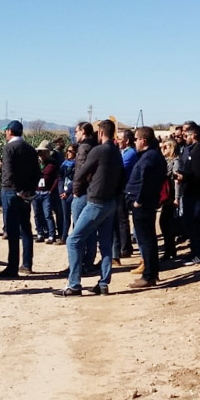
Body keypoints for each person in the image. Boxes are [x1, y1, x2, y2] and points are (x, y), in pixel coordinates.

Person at [55, 119, 124, 297]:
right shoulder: (116, 152)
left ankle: (74, 284)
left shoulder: (97, 151)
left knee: (73, 240)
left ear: (100, 133)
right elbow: (123, 177)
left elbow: (80, 173)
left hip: (96, 201)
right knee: (106, 244)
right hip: (110, 202)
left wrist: (76, 191)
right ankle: (103, 284)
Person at [124, 127, 166, 288]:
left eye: (136, 139)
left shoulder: (150, 158)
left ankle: (149, 276)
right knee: (147, 239)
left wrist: (138, 201)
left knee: (146, 240)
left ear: (143, 140)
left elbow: (147, 182)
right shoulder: (150, 156)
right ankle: (150, 273)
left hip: (143, 205)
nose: (135, 142)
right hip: (144, 204)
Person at [0, 120, 41, 278]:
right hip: (26, 194)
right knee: (26, 229)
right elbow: (37, 172)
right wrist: (28, 190)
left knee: (13, 230)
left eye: (6, 131)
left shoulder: (9, 148)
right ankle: (27, 264)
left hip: (11, 192)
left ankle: (12, 267)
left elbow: (9, 172)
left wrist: (16, 191)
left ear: (10, 131)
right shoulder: (29, 149)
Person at [175, 121, 200, 265]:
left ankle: (197, 254)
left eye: (187, 134)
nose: (185, 137)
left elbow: (198, 174)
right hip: (191, 191)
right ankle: (194, 251)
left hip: (196, 192)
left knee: (194, 222)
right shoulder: (193, 149)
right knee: (189, 222)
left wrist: (183, 176)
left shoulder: (199, 151)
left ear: (194, 135)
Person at [70, 122, 99, 274]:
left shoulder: (83, 147)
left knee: (78, 231)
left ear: (83, 131)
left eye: (77, 131)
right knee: (91, 230)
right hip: (93, 190)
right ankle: (89, 262)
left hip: (82, 192)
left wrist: (75, 190)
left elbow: (80, 171)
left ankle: (78, 264)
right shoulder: (95, 145)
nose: (75, 135)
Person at [114, 128, 137, 261]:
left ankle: (125, 247)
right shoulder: (124, 152)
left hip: (125, 189)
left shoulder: (130, 153)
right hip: (122, 188)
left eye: (120, 139)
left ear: (127, 141)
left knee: (122, 219)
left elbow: (120, 167)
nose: (118, 141)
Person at [158, 139, 182, 261]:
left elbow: (177, 182)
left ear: (172, 148)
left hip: (171, 196)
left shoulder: (175, 162)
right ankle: (170, 250)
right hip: (167, 196)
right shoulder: (166, 161)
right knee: (165, 223)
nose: (163, 149)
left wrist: (176, 198)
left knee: (166, 223)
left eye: (166, 147)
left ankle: (170, 250)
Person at [33, 140, 59, 243]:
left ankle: (51, 234)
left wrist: (51, 191)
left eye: (43, 151)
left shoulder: (53, 164)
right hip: (36, 193)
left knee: (47, 214)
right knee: (37, 214)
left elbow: (57, 179)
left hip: (46, 193)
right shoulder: (35, 164)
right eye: (39, 151)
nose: (41, 154)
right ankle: (40, 233)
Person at [57, 143, 78, 244]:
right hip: (63, 192)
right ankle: (64, 237)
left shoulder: (77, 164)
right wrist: (61, 190)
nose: (68, 153)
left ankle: (75, 236)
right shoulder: (64, 164)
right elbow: (60, 178)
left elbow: (76, 179)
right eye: (68, 151)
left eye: (71, 151)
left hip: (72, 192)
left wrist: (67, 192)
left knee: (75, 216)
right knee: (66, 216)